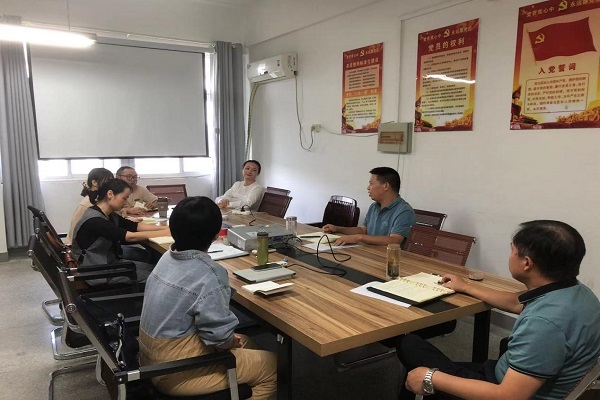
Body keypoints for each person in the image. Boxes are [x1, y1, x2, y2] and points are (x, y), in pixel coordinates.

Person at [397, 220, 600, 400]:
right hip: (515, 375)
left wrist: (431, 377)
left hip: (501, 389)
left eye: (512, 250)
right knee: (414, 349)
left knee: (410, 347)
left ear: (526, 263)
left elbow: (509, 396)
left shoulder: (544, 325)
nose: (509, 255)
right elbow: (516, 302)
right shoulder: (577, 293)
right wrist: (466, 286)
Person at [139, 196, 277, 398]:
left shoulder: (167, 257)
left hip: (150, 357)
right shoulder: (209, 273)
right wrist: (229, 341)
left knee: (246, 342)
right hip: (176, 372)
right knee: (271, 366)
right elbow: (220, 338)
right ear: (216, 234)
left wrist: (230, 341)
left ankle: (240, 382)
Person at [72, 178, 170, 285]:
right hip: (98, 271)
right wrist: (164, 233)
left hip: (110, 263)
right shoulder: (96, 220)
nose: (126, 202)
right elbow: (130, 236)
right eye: (124, 198)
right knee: (159, 277)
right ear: (110, 194)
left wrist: (166, 229)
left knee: (158, 269)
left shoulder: (109, 215)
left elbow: (135, 226)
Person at [323, 167, 415, 246]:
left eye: (371, 183)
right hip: (368, 252)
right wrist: (337, 228)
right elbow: (363, 230)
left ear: (386, 186)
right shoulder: (374, 206)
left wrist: (359, 238)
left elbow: (394, 240)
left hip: (388, 257)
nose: (368, 187)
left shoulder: (404, 211)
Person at [66, 167, 114, 244]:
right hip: (79, 247)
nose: (110, 185)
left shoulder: (94, 199)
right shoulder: (89, 204)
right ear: (94, 182)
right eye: (108, 182)